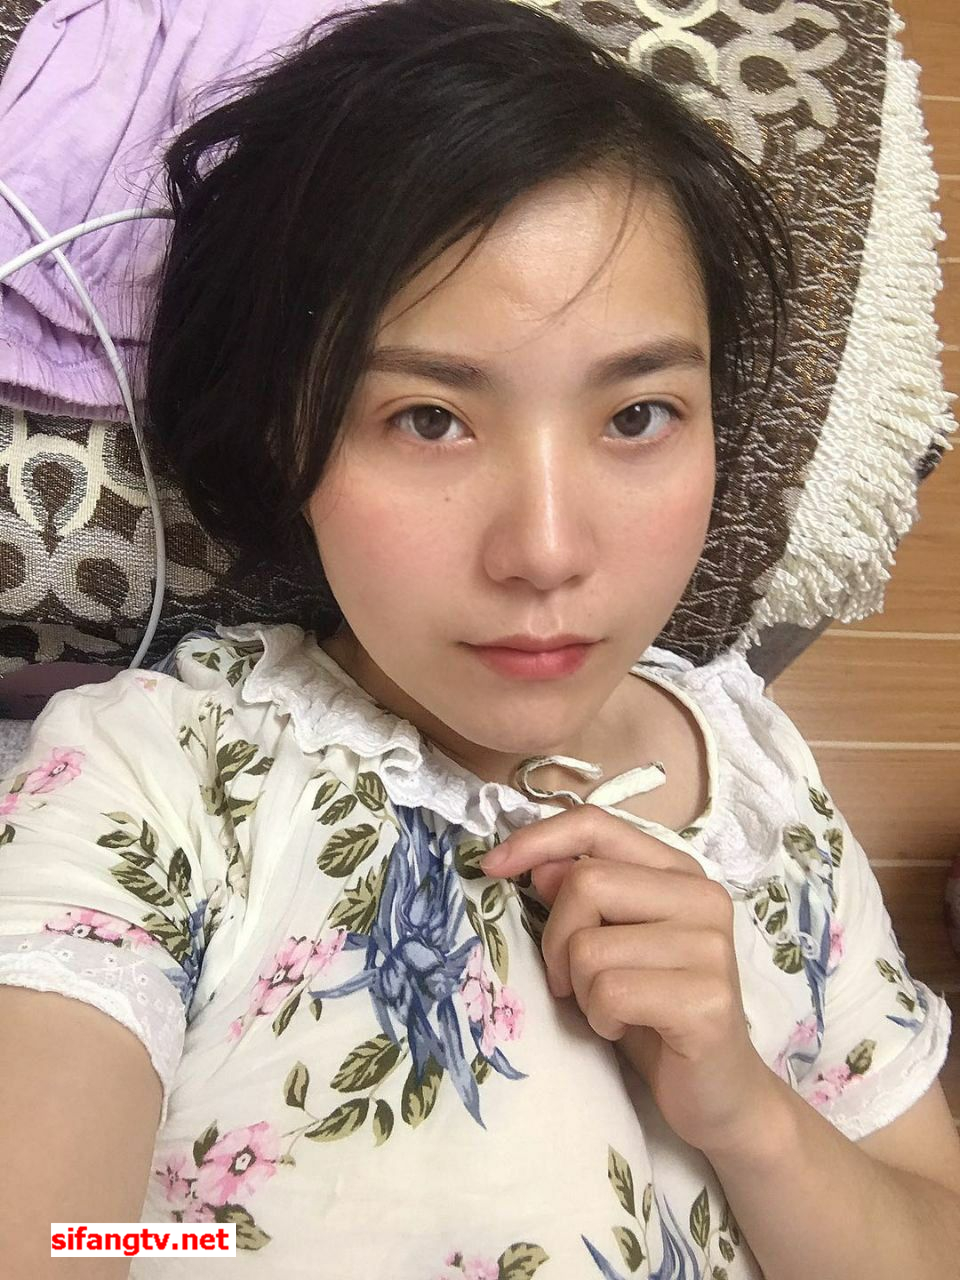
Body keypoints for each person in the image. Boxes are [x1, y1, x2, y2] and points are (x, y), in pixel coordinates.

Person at [1, 0, 958, 1276]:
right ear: (288, 435)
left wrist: (751, 1114)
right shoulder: (156, 780)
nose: (546, 550)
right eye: (429, 419)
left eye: (638, 414)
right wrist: (233, 1243)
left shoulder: (763, 782)